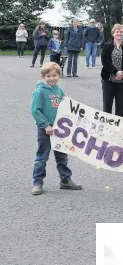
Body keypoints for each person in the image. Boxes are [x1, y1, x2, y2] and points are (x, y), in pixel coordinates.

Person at [30, 62, 82, 195]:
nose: (52, 78)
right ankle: (37, 182)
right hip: (45, 129)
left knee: (62, 155)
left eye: (54, 75)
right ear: (43, 76)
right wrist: (46, 125)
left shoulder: (58, 90)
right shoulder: (39, 91)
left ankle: (65, 179)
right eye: (48, 76)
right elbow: (35, 110)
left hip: (59, 129)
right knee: (42, 156)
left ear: (59, 76)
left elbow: (64, 107)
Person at [101, 23, 123, 116]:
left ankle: (118, 128)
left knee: (120, 106)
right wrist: (115, 72)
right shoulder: (107, 46)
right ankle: (107, 127)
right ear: (113, 33)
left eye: (121, 32)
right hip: (108, 80)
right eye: (117, 32)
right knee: (107, 106)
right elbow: (105, 61)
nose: (119, 33)